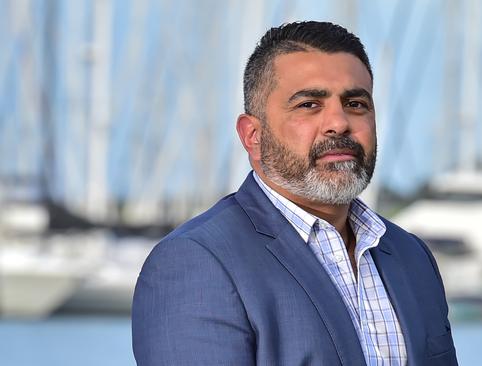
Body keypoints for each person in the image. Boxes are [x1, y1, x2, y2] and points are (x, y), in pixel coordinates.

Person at [132, 21, 458, 366]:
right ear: (253, 136)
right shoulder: (197, 262)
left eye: (356, 104)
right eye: (309, 105)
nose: (339, 122)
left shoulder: (410, 256)